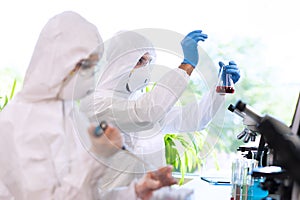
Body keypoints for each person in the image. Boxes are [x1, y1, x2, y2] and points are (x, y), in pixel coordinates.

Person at [0, 11, 178, 200]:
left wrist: (137, 191)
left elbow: (89, 194)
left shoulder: (67, 112)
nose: (91, 75)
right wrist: (98, 156)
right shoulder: (20, 121)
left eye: (94, 67)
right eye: (85, 66)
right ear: (55, 61)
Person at [80, 30, 241, 189]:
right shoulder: (96, 102)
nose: (145, 67)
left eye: (149, 62)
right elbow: (145, 113)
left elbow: (193, 120)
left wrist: (220, 89)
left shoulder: (137, 101)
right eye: (140, 60)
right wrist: (187, 65)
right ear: (117, 61)